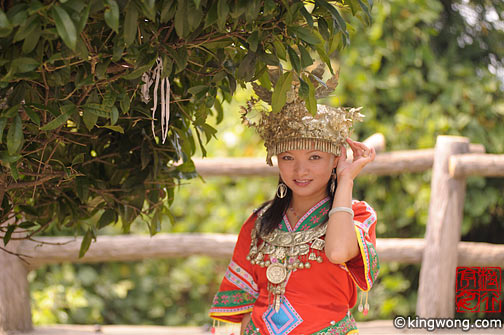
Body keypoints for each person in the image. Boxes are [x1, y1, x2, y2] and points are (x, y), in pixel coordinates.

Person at [209, 77, 380, 335]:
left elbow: (337, 252)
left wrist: (346, 180)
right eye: (288, 157)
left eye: (314, 157)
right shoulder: (259, 223)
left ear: (335, 159)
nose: (301, 170)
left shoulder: (357, 215)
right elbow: (243, 305)